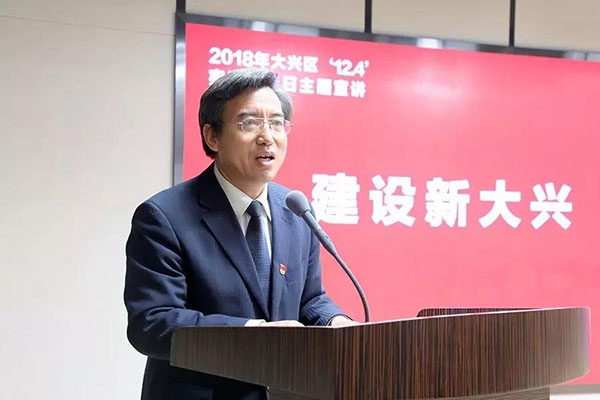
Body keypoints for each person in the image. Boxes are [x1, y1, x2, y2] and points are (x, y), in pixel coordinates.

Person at [124, 68, 353, 400]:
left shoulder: (295, 210)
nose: (267, 137)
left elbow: (309, 299)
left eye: (277, 123)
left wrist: (337, 322)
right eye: (249, 123)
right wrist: (255, 333)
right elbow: (153, 322)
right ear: (212, 137)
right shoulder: (164, 216)